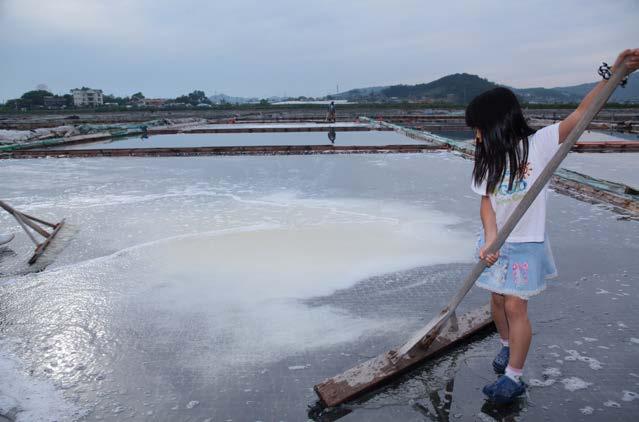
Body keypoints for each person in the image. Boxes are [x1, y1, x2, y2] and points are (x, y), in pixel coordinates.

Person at [466, 49, 639, 404]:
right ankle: (504, 345)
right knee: (497, 303)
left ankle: (513, 377)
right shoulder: (487, 160)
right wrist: (489, 237)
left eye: (479, 130)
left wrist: (614, 75)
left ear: (498, 125)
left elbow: (580, 116)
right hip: (497, 244)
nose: (476, 137)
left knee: (516, 307)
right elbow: (486, 203)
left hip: (527, 244)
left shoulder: (538, 145)